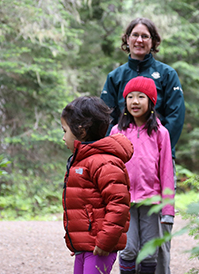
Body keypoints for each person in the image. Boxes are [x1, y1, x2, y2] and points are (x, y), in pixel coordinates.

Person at [100, 18, 185, 274]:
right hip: (125, 175)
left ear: (153, 41)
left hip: (157, 170)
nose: (139, 40)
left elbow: (176, 116)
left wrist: (156, 144)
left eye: (145, 36)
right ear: (126, 40)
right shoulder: (116, 76)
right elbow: (107, 117)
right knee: (127, 246)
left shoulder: (167, 74)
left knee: (156, 247)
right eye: (134, 35)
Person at [61, 96, 133, 274]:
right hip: (86, 244)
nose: (63, 138)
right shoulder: (81, 161)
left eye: (65, 131)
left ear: (81, 130)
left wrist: (105, 241)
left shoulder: (104, 163)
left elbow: (118, 204)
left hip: (100, 244)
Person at [110, 77, 175, 274]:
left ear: (151, 102)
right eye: (130, 97)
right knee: (128, 250)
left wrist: (168, 209)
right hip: (124, 201)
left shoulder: (160, 133)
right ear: (125, 102)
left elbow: (166, 172)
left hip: (151, 201)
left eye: (141, 97)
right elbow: (111, 169)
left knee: (149, 252)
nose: (135, 102)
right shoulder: (116, 132)